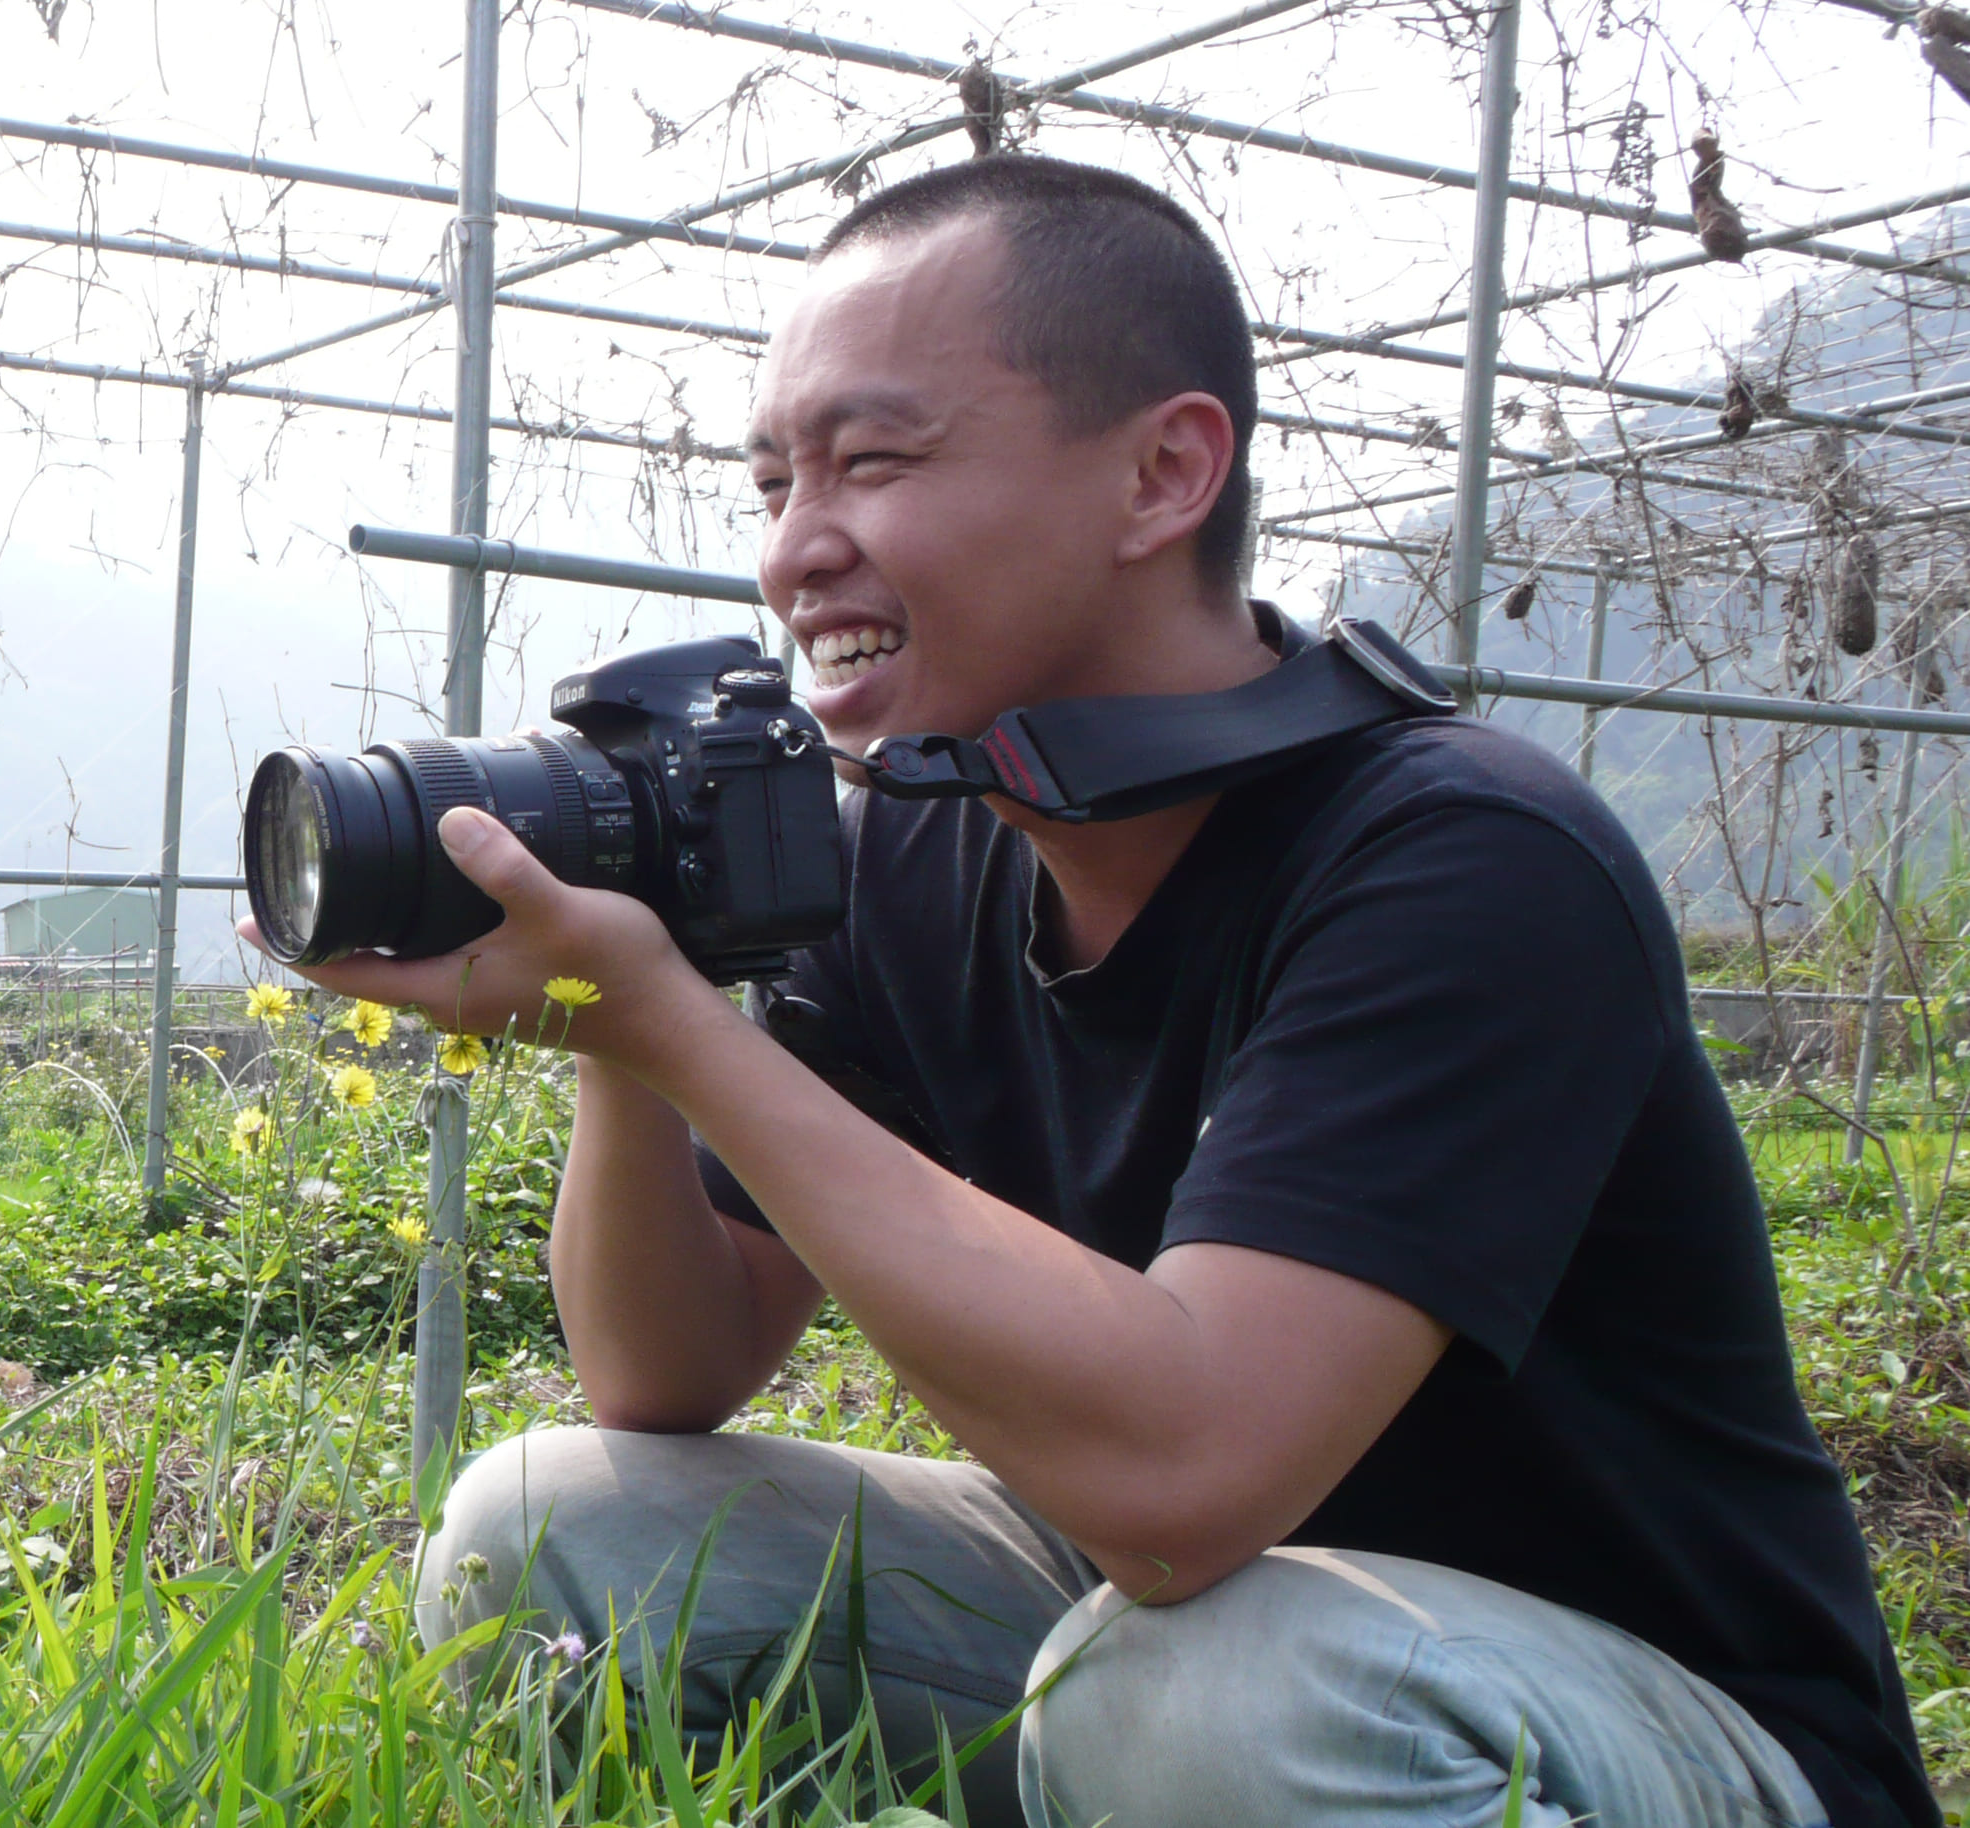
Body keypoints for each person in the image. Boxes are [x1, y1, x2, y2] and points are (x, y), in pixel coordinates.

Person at [283, 154, 1936, 1828]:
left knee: (1205, 1692)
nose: (798, 552)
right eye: (776, 482)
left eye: (871, 461)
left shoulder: (1464, 856)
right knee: (561, 1525)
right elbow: (667, 1373)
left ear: (1160, 473)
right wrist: (619, 1026)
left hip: (1644, 1722)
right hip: (1180, 1625)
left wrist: (686, 1033)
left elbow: (1179, 1485)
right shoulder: (912, 854)